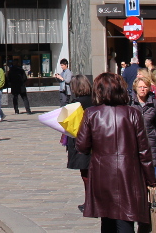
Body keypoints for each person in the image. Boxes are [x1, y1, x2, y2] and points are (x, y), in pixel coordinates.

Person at [76, 73, 156, 231]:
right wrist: (150, 179)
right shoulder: (133, 113)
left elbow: (82, 146)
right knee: (126, 218)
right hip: (128, 175)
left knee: (107, 220)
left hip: (102, 174)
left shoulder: (92, 114)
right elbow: (144, 151)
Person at [66, 74, 93, 211]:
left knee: (86, 175)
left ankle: (90, 202)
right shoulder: (96, 101)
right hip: (96, 142)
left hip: (81, 142)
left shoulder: (74, 104)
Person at [131, 76, 156, 183]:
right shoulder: (130, 102)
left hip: (149, 138)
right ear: (135, 88)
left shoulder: (153, 103)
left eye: (145, 87)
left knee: (149, 169)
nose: (142, 89)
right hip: (132, 139)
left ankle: (148, 195)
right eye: (140, 87)